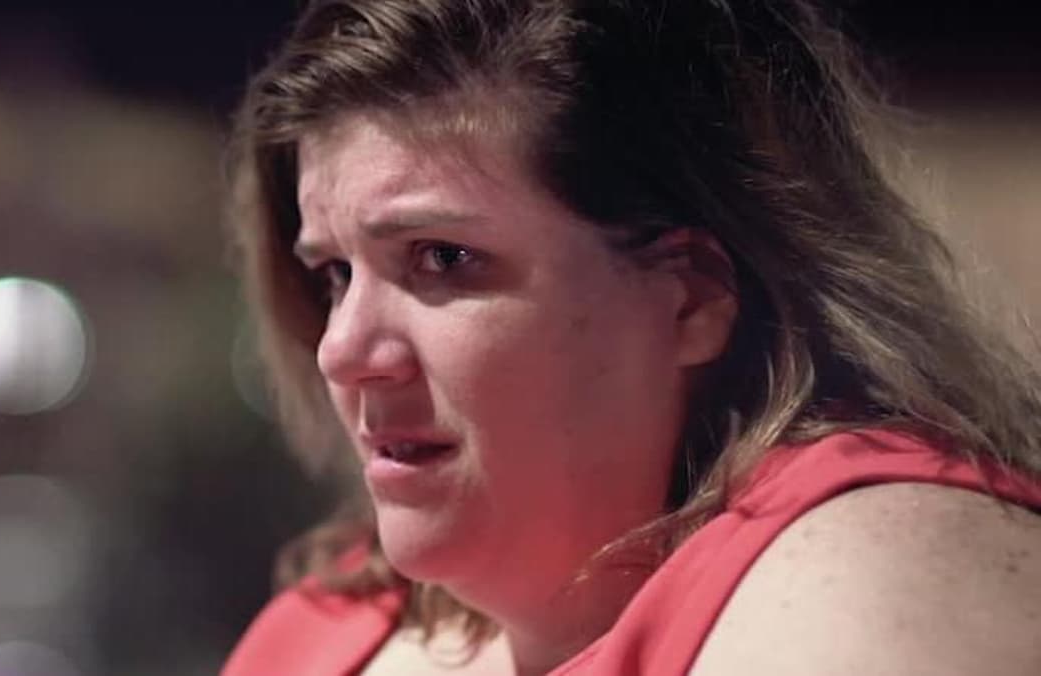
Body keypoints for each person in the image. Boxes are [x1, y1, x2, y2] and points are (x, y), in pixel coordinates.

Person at [219, 1, 1041, 674]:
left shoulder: (873, 578)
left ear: (692, 298)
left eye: (443, 258)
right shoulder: (324, 624)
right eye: (335, 274)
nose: (340, 352)